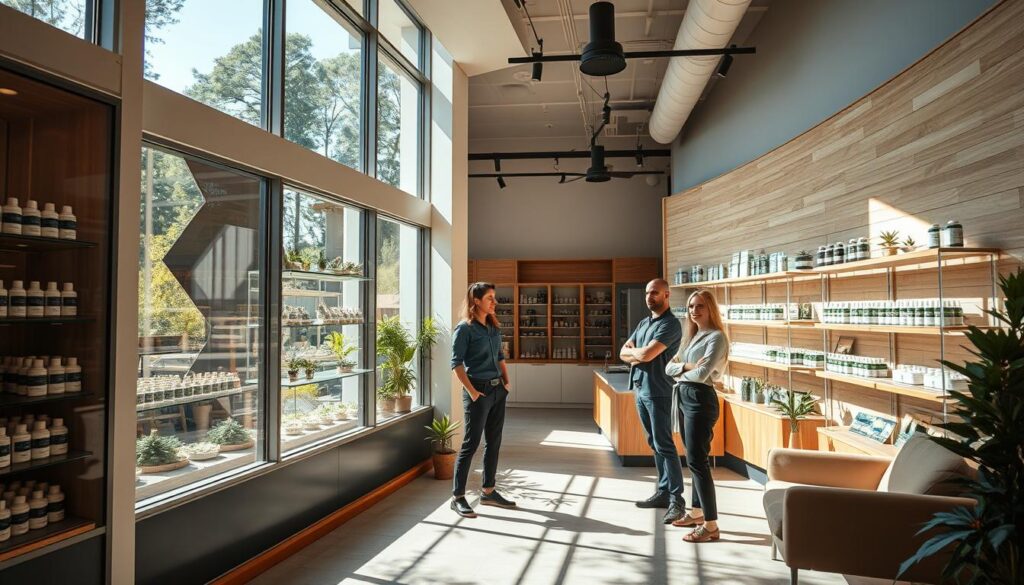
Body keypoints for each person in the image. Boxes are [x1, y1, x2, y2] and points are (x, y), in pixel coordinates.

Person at [619, 278, 685, 524]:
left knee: (665, 445)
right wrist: (638, 355)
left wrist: (637, 354)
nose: (649, 296)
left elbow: (646, 354)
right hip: (640, 389)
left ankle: (677, 501)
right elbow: (622, 352)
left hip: (659, 391)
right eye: (647, 292)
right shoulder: (644, 322)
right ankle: (663, 491)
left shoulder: (670, 325)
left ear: (666, 295)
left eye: (655, 293)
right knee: (654, 443)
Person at [666, 289, 729, 543]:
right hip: (685, 396)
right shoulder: (692, 337)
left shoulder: (717, 337)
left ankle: (711, 525)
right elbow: (669, 367)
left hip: (700, 400)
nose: (694, 311)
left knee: (698, 461)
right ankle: (696, 512)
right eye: (691, 306)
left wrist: (683, 370)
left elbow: (703, 374)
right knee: (693, 460)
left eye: (700, 305)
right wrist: (686, 367)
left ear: (710, 308)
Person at [450, 282, 516, 518]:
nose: (494, 302)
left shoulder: (493, 327)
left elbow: (500, 357)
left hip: (498, 391)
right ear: (476, 301)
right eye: (490, 298)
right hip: (478, 391)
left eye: (494, 298)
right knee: (471, 444)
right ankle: (457, 497)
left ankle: (488, 491)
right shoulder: (464, 329)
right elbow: (456, 364)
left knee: (494, 442)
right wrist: (473, 392)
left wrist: (507, 383)